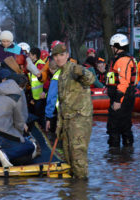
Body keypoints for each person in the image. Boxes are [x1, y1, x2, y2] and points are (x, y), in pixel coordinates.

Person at [52, 43, 95, 179]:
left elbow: (90, 79)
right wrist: (59, 124)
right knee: (68, 156)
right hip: (67, 120)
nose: (59, 58)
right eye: (56, 56)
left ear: (67, 55)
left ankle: (81, 189)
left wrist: (82, 72)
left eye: (61, 55)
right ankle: (73, 191)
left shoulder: (74, 69)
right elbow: (62, 102)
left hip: (80, 119)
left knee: (78, 156)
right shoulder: (61, 75)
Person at [106, 33, 136, 148]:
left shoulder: (122, 61)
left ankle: (116, 156)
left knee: (114, 127)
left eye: (112, 46)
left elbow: (124, 82)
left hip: (122, 99)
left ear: (117, 46)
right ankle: (125, 156)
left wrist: (118, 100)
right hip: (124, 97)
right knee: (124, 126)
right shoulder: (124, 59)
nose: (112, 49)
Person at [28, 47, 46, 128]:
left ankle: (44, 136)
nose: (28, 56)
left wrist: (45, 92)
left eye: (30, 55)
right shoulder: (33, 65)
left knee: (40, 119)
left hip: (40, 96)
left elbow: (45, 79)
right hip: (35, 96)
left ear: (34, 56)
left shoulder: (40, 65)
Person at [45, 59, 60, 135]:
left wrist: (48, 117)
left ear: (50, 69)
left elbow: (52, 97)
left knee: (55, 136)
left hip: (58, 112)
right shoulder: (65, 74)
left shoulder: (55, 78)